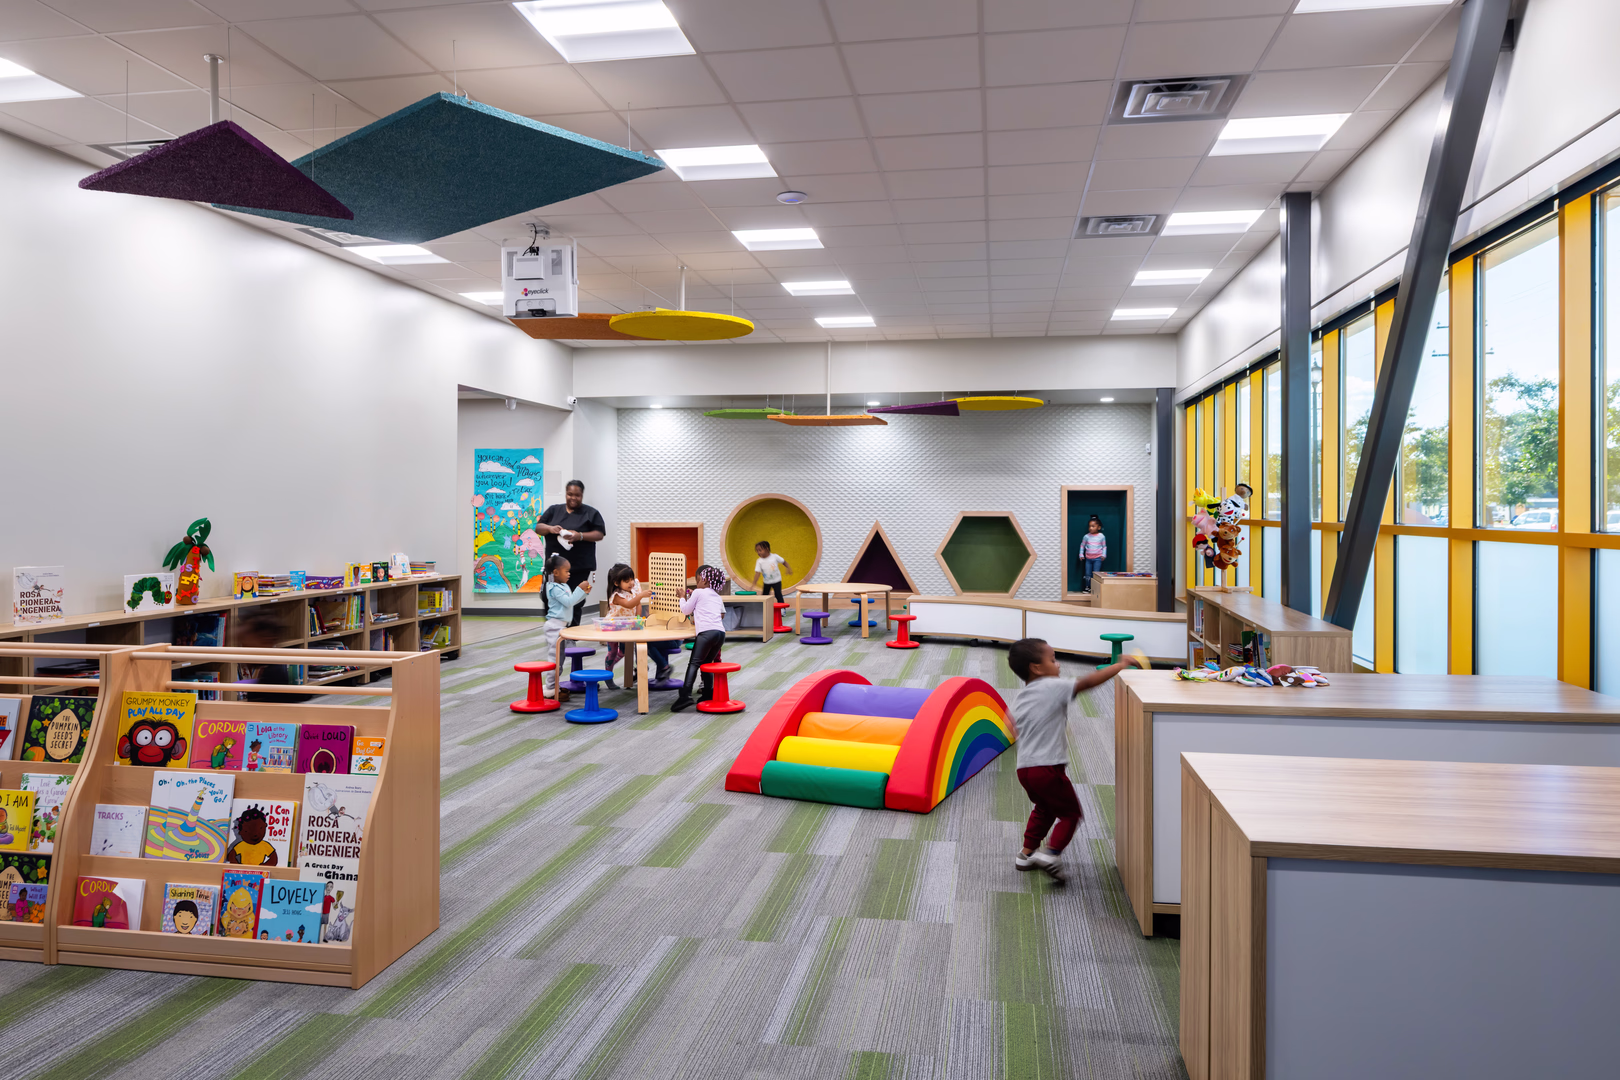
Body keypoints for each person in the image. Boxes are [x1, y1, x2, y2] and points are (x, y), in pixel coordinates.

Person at [1005, 637, 1145, 881]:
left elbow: (1011, 724)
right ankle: (1052, 854)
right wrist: (1120, 665)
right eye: (1053, 659)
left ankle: (1026, 854)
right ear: (1036, 668)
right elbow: (1086, 682)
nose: (1058, 665)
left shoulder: (1021, 696)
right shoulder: (1050, 686)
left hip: (1025, 769)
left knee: (1045, 808)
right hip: (1047, 768)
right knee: (1071, 814)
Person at [535, 481, 607, 626]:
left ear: (582, 495)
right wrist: (550, 529)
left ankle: (571, 635)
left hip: (579, 566)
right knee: (549, 597)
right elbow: (538, 528)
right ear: (566, 493)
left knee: (575, 600)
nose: (573, 498)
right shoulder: (554, 510)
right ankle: (553, 630)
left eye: (577, 495)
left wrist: (579, 535)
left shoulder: (590, 513)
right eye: (570, 494)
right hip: (554, 568)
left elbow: (599, 534)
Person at [603, 563, 673, 685]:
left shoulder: (633, 587)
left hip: (628, 625)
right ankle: (608, 676)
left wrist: (638, 619)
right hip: (614, 627)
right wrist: (641, 595)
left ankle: (639, 668)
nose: (631, 583)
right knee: (613, 652)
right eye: (626, 580)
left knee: (625, 650)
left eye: (631, 579)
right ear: (616, 583)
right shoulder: (616, 596)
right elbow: (630, 604)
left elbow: (637, 604)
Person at [672, 565, 727, 713]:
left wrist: (682, 598)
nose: (696, 583)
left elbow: (686, 610)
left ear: (705, 580)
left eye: (698, 580)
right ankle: (708, 694)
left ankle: (685, 695)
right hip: (720, 634)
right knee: (707, 663)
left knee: (693, 663)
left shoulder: (698, 592)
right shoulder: (716, 596)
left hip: (706, 633)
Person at [542, 554, 592, 700]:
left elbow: (571, 601)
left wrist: (583, 593)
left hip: (561, 627)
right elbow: (569, 602)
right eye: (566, 571)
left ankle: (553, 685)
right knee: (555, 659)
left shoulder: (562, 586)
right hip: (554, 627)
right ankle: (551, 688)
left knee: (560, 658)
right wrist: (579, 589)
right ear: (556, 572)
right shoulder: (553, 587)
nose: (569, 574)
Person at [1079, 516, 1107, 593]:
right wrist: (1081, 554)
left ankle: (1095, 588)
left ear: (1099, 527)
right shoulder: (1086, 536)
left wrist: (1104, 555)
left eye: (1093, 526)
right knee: (1087, 573)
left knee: (1096, 573)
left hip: (1098, 558)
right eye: (1090, 526)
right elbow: (1082, 545)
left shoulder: (1101, 536)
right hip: (1088, 558)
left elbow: (1104, 547)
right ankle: (1087, 587)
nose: (1091, 528)